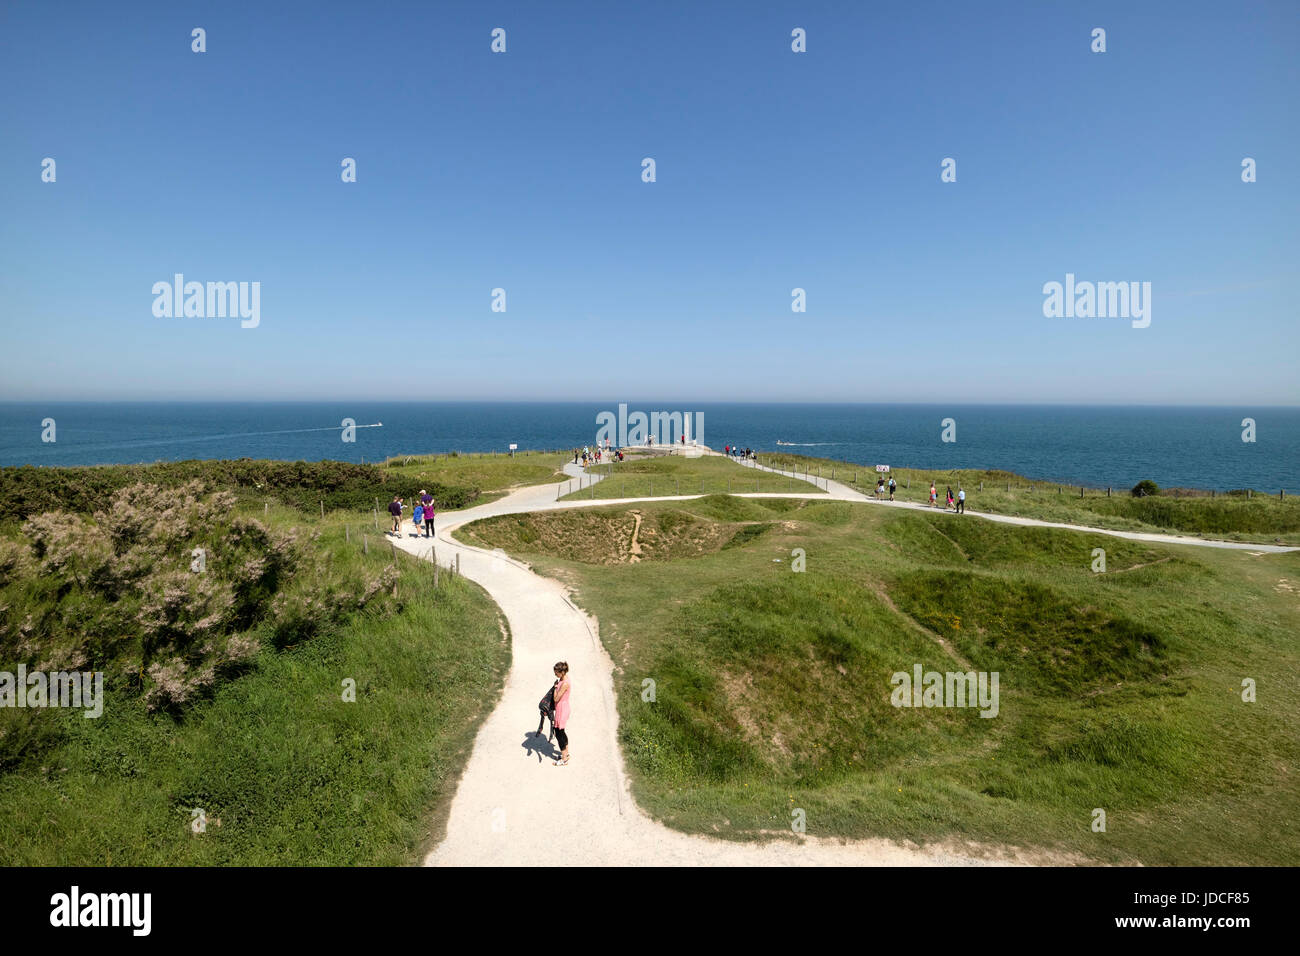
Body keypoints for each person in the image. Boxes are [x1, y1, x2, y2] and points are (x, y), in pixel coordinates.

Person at [551, 661, 572, 766]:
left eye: (556, 673)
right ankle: (566, 754)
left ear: (562, 672)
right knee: (561, 731)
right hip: (562, 708)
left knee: (558, 733)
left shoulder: (565, 683)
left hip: (562, 709)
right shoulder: (563, 679)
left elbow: (556, 698)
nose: (555, 675)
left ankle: (564, 759)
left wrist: (555, 688)